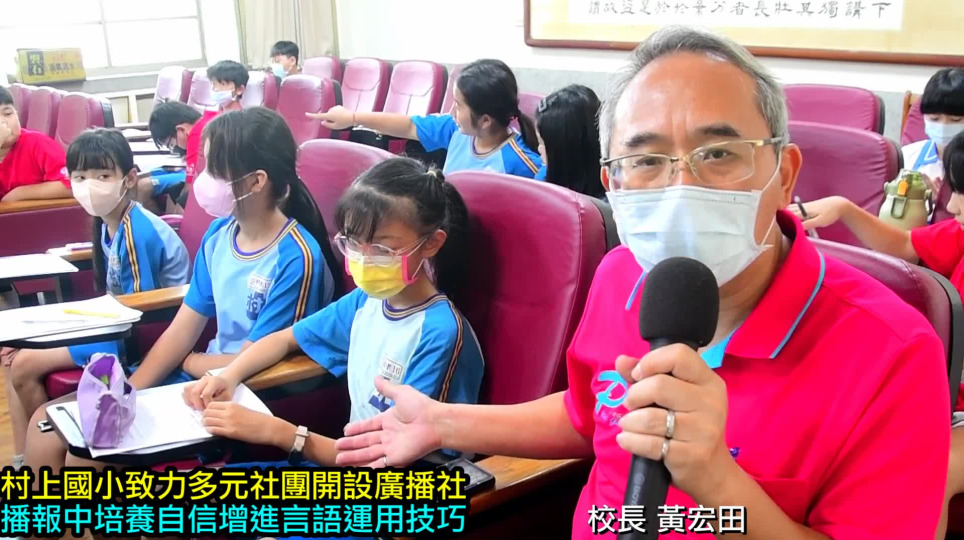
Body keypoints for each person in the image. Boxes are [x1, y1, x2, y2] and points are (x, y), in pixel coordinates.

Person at [333, 26, 950, 539]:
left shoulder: (892, 352)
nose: (682, 185)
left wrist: (716, 481)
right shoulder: (622, 275)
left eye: (718, 153)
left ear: (785, 173)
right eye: (646, 160)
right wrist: (446, 422)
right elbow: (588, 417)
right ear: (612, 183)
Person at [23, 107, 340, 476]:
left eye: (215, 170)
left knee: (87, 454)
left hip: (240, 393)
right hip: (200, 382)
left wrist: (193, 364)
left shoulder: (296, 258)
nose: (203, 180)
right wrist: (130, 391)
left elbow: (263, 356)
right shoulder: (219, 235)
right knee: (45, 428)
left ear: (256, 181)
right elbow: (181, 330)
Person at [183, 157, 483, 472]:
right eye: (353, 242)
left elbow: (388, 462)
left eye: (382, 249)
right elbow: (284, 340)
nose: (363, 259)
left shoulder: (439, 332)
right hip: (352, 463)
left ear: (431, 244)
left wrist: (277, 432)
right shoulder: (365, 301)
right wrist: (227, 377)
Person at [791, 131, 964, 539]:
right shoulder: (959, 234)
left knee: (932, 468)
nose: (954, 205)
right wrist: (844, 209)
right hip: (947, 399)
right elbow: (905, 245)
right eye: (956, 190)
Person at [2, 128, 190, 469]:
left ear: (129, 179)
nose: (90, 185)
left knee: (25, 365)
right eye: (80, 177)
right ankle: (25, 459)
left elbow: (141, 311)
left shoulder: (138, 231)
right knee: (18, 362)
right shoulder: (108, 223)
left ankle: (38, 453)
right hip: (117, 324)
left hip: (143, 336)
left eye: (103, 176)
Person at [308, 59, 542, 178]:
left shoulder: (522, 164)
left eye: (459, 105)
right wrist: (352, 117)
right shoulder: (455, 130)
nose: (451, 111)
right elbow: (409, 125)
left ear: (485, 120)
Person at [904, 68, 964, 223]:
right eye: (934, 119)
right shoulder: (907, 156)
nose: (944, 126)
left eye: (956, 120)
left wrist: (944, 207)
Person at [0, 86, 72, 202]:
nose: (3, 122)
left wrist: (20, 194)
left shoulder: (38, 143)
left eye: (8, 114)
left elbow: (72, 185)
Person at [534, 84, 605, 199]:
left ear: (563, 155)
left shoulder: (604, 205)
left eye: (542, 143)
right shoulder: (543, 176)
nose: (539, 149)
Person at [138, 101, 204, 209]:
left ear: (181, 130)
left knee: (181, 200)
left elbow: (189, 189)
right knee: (174, 192)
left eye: (171, 145)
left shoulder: (195, 139)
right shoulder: (209, 120)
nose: (174, 150)